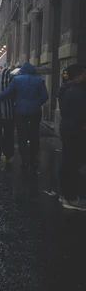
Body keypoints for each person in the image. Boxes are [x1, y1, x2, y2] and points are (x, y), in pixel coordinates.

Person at [0, 62, 49, 173]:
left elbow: (7, 93)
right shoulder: (39, 80)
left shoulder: (17, 80)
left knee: (22, 136)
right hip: (35, 111)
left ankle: (25, 160)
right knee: (34, 135)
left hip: (20, 111)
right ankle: (33, 159)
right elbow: (45, 97)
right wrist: (37, 103)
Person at [58, 63, 86, 211]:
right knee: (73, 163)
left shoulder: (66, 89)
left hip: (67, 128)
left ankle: (65, 194)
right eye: (84, 73)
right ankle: (71, 198)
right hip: (74, 130)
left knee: (68, 161)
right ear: (79, 75)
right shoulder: (77, 91)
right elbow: (79, 113)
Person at [0, 67, 15, 168]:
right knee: (8, 135)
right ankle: (8, 155)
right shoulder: (10, 83)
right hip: (8, 114)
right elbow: (12, 95)